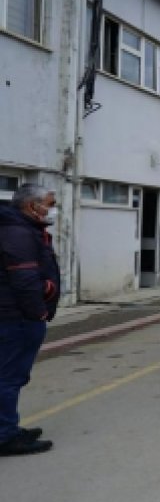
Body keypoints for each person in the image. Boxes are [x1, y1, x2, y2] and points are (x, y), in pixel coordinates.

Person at [0, 183, 60, 456]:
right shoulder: (18, 234)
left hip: (17, 315)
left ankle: (8, 427)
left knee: (11, 377)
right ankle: (5, 436)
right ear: (31, 206)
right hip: (19, 318)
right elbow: (24, 279)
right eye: (49, 203)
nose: (51, 209)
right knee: (9, 377)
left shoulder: (22, 229)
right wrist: (39, 309)